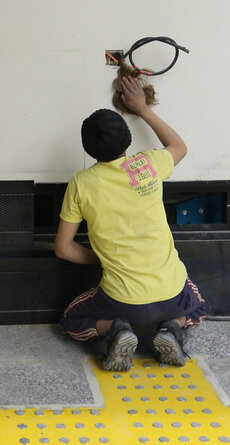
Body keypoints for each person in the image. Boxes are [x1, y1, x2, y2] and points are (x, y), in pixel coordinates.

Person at [54, 74, 206, 371]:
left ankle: (115, 329)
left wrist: (99, 257)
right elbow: (179, 146)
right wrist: (143, 109)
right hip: (172, 295)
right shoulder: (149, 164)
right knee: (198, 306)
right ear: (128, 138)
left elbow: (62, 248)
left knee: (71, 318)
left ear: (88, 148)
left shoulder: (81, 183)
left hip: (120, 301)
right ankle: (172, 328)